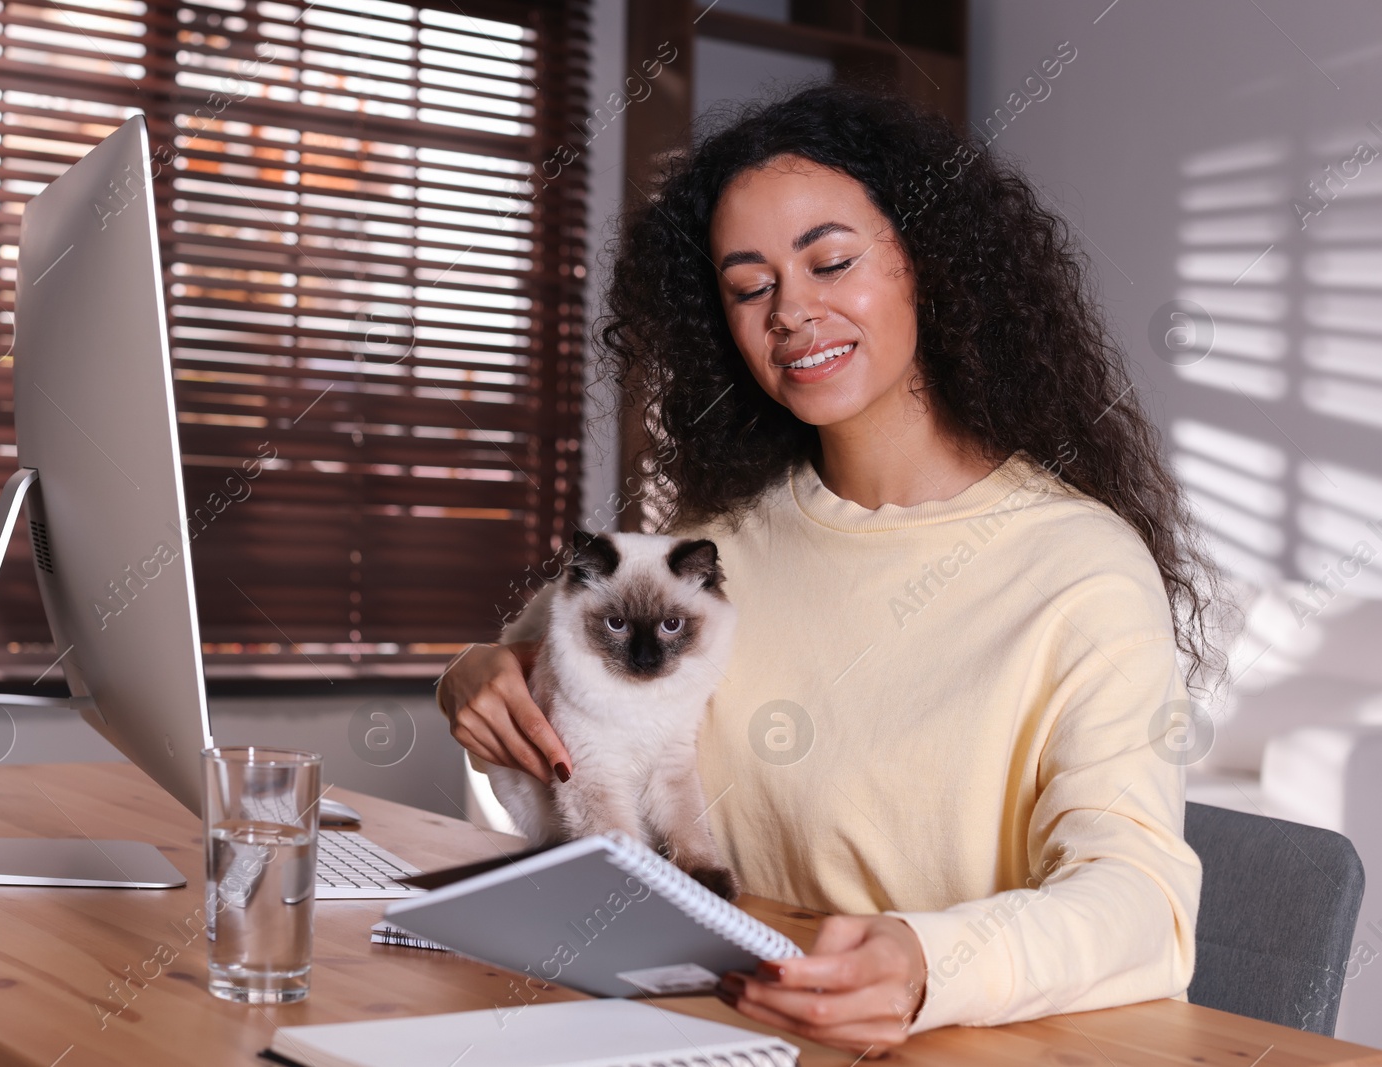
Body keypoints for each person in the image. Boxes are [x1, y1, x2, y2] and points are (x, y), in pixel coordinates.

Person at [435, 84, 1218, 1056]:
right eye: (748, 286)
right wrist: (473, 672)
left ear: (928, 263)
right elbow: (538, 672)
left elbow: (1141, 902)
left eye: (830, 261)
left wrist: (926, 960)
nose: (792, 311)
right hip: (716, 1028)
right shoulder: (718, 546)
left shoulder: (1079, 568)